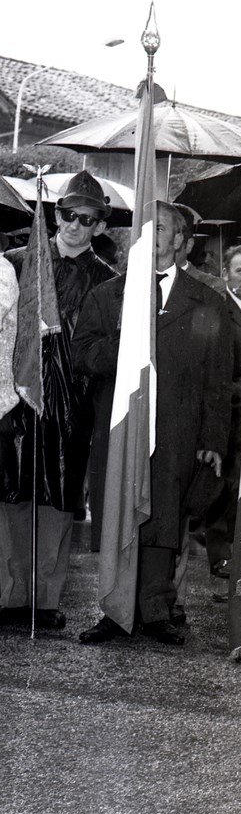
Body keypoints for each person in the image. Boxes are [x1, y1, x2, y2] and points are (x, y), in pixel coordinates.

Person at [75, 203, 232, 646]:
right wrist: (125, 342)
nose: (151, 234)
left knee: (164, 516)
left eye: (160, 228)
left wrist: (212, 439)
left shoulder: (207, 302)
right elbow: (81, 354)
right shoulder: (108, 295)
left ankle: (156, 610)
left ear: (180, 241)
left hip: (178, 431)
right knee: (120, 512)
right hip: (121, 426)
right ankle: (115, 610)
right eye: (145, 228)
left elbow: (218, 380)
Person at [0, 172, 115, 628]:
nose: (74, 225)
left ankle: (44, 601)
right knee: (10, 493)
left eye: (86, 219)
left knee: (56, 498)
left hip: (71, 407)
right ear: (56, 215)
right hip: (15, 398)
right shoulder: (15, 264)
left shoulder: (108, 282)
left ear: (99, 226)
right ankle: (9, 597)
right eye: (69, 215)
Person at [205, 245, 241, 581]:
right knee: (223, 486)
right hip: (229, 414)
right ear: (226, 273)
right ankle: (220, 554)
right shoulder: (216, 309)